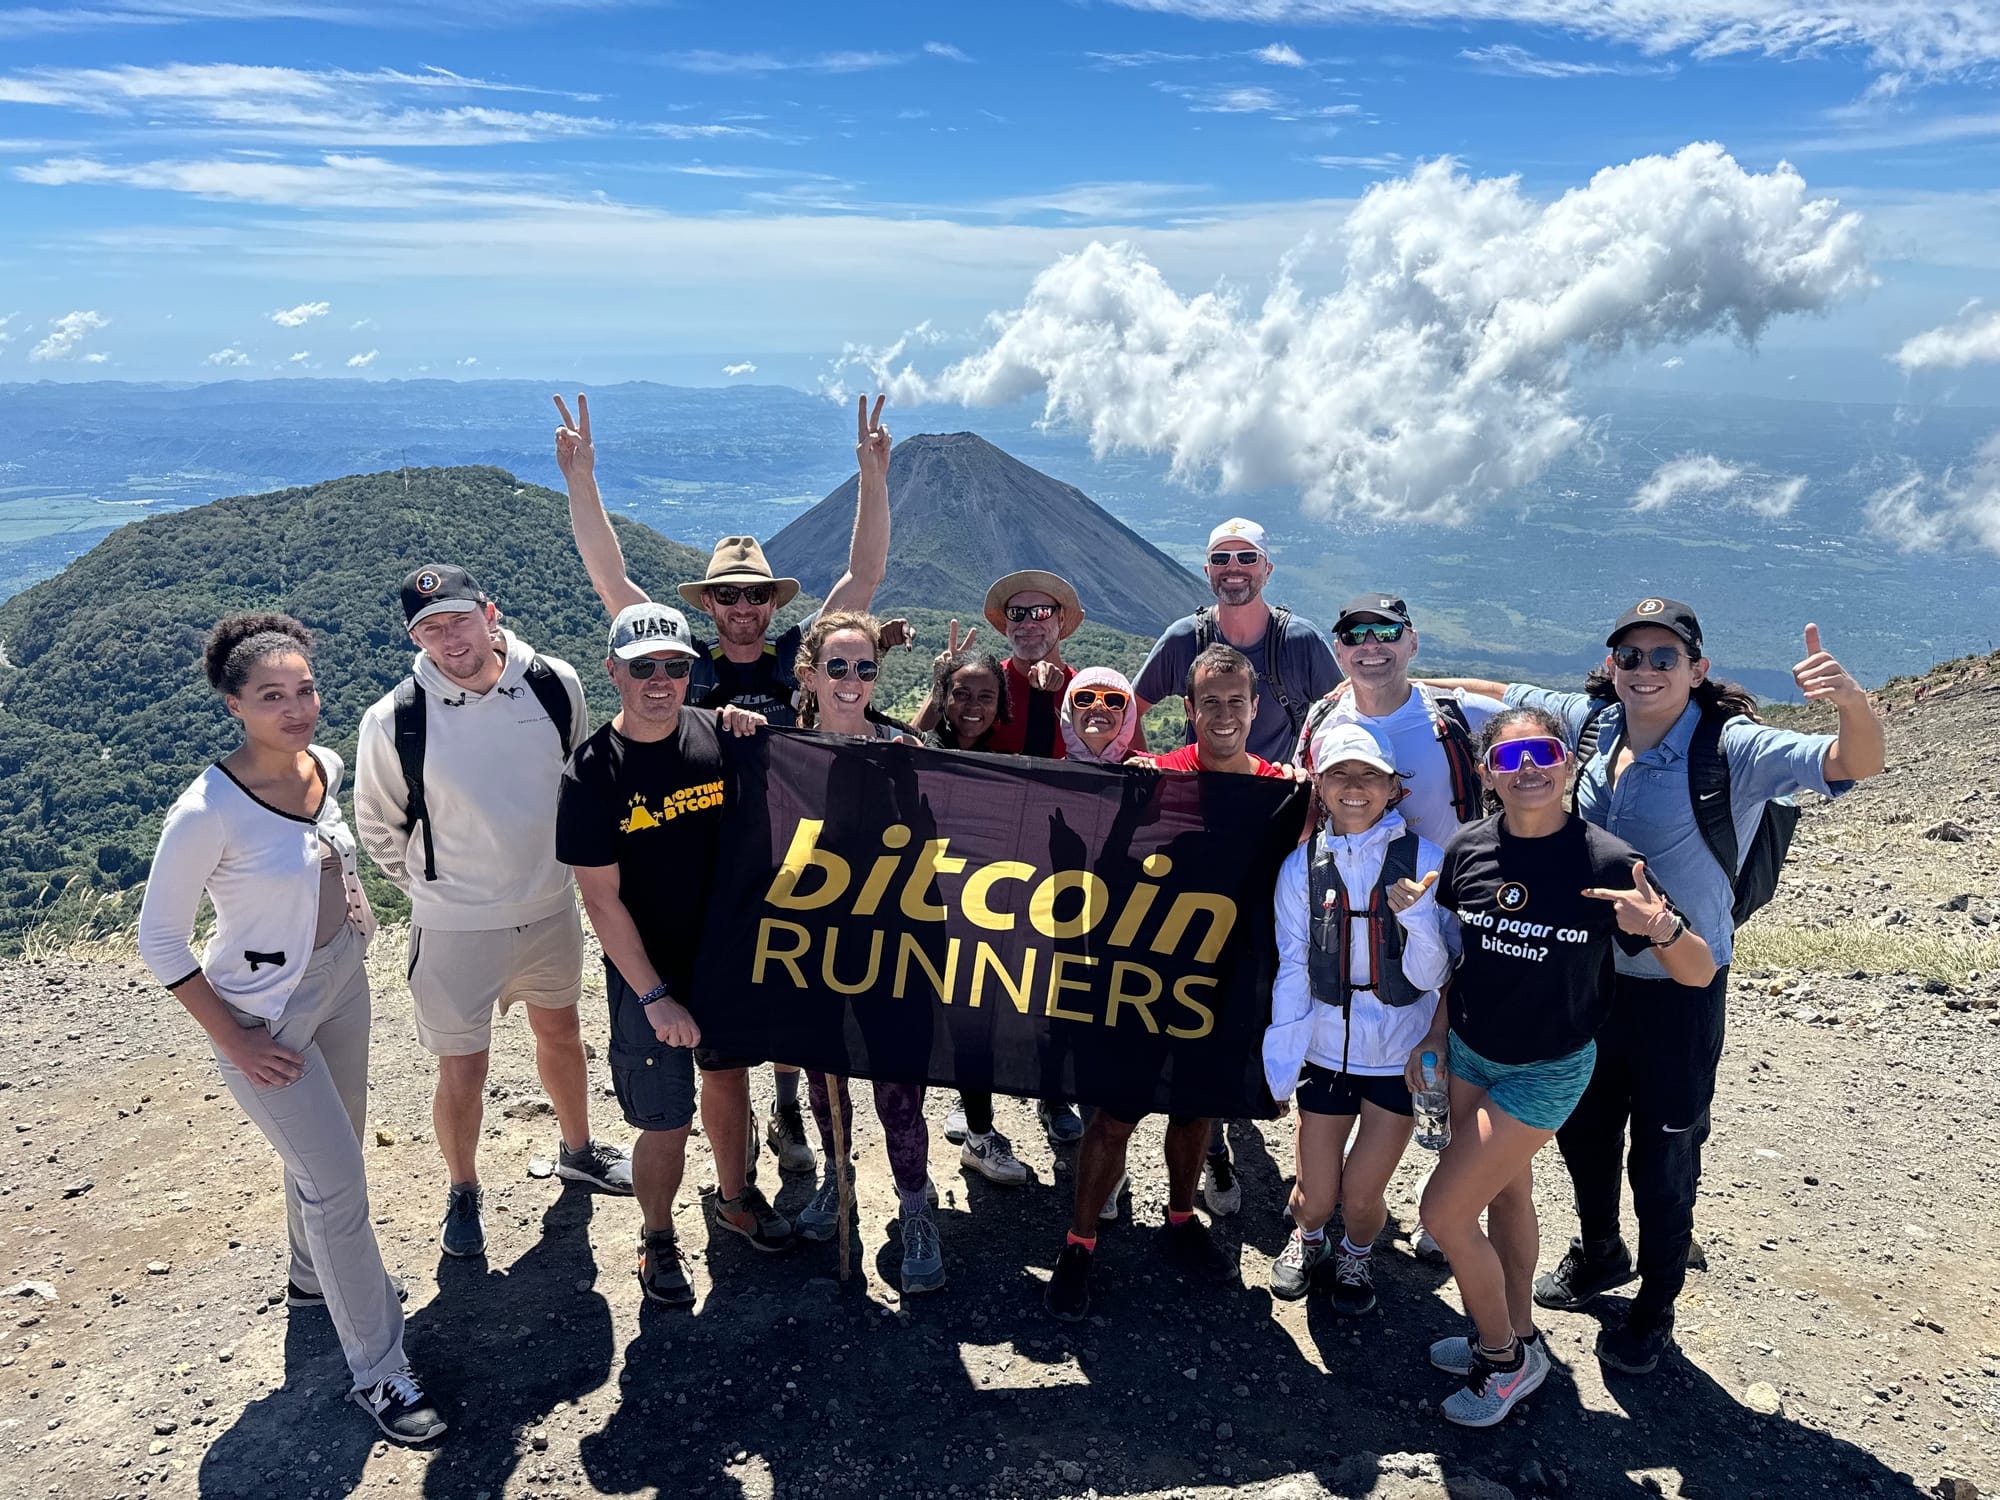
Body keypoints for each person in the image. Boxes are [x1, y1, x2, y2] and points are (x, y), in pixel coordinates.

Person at [1427, 602, 1884, 1374]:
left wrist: (1850, 702)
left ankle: (1656, 1306)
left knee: (1666, 1152)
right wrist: (1394, 685)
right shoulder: (1594, 724)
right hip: (1593, 976)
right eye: (1629, 656)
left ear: (1697, 670)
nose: (1644, 669)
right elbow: (1503, 695)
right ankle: (1600, 1253)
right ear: (1612, 667)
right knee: (1585, 1131)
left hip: (1681, 982)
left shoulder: (1732, 746)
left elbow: (1855, 763)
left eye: (1663, 657)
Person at [555, 393, 892, 1186]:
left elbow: (865, 577)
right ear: (707, 605)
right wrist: (581, 479)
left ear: (772, 605)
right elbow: (613, 583)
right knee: (728, 1031)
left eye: (755, 596)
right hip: (708, 877)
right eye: (728, 596)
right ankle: (755, 1147)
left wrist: (872, 476)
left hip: (795, 866)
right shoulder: (679, 663)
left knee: (789, 1009)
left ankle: (792, 1123)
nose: (742, 608)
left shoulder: (799, 663)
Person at [136, 614, 445, 1444]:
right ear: (234, 704)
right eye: (272, 695)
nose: (297, 707)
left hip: (342, 980)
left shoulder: (325, 767)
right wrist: (231, 1041)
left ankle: (313, 1280)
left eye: (304, 689)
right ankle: (381, 1373)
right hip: (262, 1014)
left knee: (328, 1147)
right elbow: (157, 938)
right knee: (339, 1180)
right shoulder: (208, 811)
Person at [1413, 705, 1716, 1428]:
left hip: (1546, 1069)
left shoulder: (1609, 862)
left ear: (1568, 762)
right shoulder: (1468, 850)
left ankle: (1502, 1361)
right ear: (1488, 774)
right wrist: (1433, 1033)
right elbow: (1462, 958)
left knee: (1441, 1213)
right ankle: (1517, 1331)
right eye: (1510, 760)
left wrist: (1663, 928)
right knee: (1502, 1199)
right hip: (1471, 1051)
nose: (1529, 771)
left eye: (1543, 753)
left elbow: (1700, 972)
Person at [355, 564, 628, 1262]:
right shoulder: (394, 720)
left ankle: (577, 1151)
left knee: (562, 1036)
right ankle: (464, 1188)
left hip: (548, 908)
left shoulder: (552, 683)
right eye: (429, 628)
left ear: (490, 614)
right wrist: (436, 885)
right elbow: (379, 826)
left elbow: (577, 783)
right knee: (462, 1070)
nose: (448, 639)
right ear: (416, 636)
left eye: (458, 619)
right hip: (453, 926)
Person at [1045, 644, 1291, 1322]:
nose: (1222, 714)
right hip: (1146, 978)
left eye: (1235, 702)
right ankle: (1080, 1241)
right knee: (1116, 1116)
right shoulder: (1153, 775)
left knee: (1195, 1109)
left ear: (1255, 707)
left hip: (1224, 981)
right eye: (1208, 702)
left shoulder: (1280, 788)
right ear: (1188, 709)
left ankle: (1181, 1220)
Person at [555, 602, 780, 1305]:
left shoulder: (722, 736)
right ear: (613, 670)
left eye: (676, 666)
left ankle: (735, 1199)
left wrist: (751, 726)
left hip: (723, 959)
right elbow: (601, 902)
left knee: (728, 1082)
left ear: (693, 671)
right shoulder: (590, 774)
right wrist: (655, 997)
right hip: (644, 973)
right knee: (663, 1119)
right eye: (643, 666)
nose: (660, 680)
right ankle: (657, 1238)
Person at [1135, 520, 1341, 1210]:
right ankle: (1214, 1141)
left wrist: (1313, 783)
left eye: (1245, 557)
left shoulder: (1301, 642)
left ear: (1266, 568)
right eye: (1221, 558)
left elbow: (1342, 714)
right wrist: (1137, 779)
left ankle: (1229, 1110)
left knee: (1248, 966)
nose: (1233, 568)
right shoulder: (1183, 639)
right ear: (1207, 568)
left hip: (1272, 817)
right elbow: (1133, 709)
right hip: (1201, 808)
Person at [1295, 591, 1504, 1261]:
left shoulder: (1456, 717)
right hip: (1352, 926)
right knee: (1412, 1070)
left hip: (1453, 918)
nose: (1372, 644)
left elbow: (1548, 723)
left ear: (1413, 642)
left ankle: (1447, 1209)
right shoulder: (1323, 720)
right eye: (1356, 633)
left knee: (1458, 1074)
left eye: (1388, 631)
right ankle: (1358, 1217)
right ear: (1339, 651)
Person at [784, 610, 948, 1294]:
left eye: (866, 669)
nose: (853, 681)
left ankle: (915, 1205)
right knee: (826, 1080)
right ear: (810, 674)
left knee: (897, 1087)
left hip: (896, 940)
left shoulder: (904, 748)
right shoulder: (778, 751)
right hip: (810, 942)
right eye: (839, 668)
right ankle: (837, 1177)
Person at [1265, 720, 1452, 1316]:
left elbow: (1433, 974)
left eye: (1368, 775)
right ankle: (1311, 1236)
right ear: (1318, 783)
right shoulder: (1300, 868)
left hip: (1395, 1054)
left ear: (1394, 787)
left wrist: (1420, 920)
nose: (1353, 786)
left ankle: (1356, 1250)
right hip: (1323, 1049)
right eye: (1339, 773)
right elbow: (1293, 968)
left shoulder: (1426, 860)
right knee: (1314, 1196)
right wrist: (1278, 1069)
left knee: (1364, 1195)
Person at [915, 581, 1089, 1146]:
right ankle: (977, 1099)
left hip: (1054, 861)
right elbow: (923, 747)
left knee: (1052, 984)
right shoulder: (981, 680)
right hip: (974, 870)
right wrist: (939, 689)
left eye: (1043, 612)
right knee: (976, 988)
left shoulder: (1087, 690)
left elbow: (1113, 751)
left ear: (1062, 621)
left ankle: (1054, 1091)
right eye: (1019, 613)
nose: (1031, 622)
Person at [923, 637, 1010, 753]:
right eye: (962, 694)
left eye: (985, 697)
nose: (973, 705)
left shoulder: (1002, 765)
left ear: (998, 704)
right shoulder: (915, 748)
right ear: (944, 697)